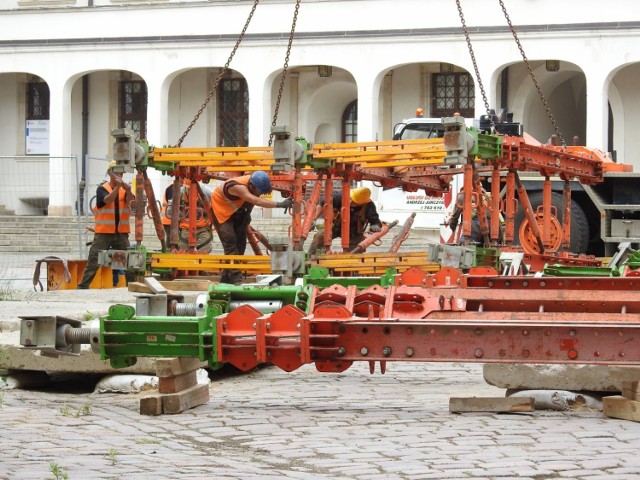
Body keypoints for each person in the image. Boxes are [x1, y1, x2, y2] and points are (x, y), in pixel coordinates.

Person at [210, 171, 293, 285]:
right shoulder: (237, 186)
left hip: (237, 213)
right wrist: (279, 204)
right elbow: (256, 200)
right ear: (251, 186)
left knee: (241, 246)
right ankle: (236, 279)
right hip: (222, 213)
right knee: (231, 245)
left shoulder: (255, 184)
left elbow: (257, 197)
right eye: (258, 192)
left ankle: (225, 279)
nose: (259, 194)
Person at [78, 160, 134, 289]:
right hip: (104, 232)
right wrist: (117, 187)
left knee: (127, 261)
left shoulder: (124, 190)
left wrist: (129, 190)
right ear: (110, 173)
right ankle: (83, 287)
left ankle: (131, 287)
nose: (120, 175)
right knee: (94, 259)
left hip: (121, 233)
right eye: (117, 172)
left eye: (121, 172)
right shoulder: (102, 189)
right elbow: (107, 200)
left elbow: (131, 202)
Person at [307, 187, 382, 255]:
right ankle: (312, 257)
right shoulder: (339, 196)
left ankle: (352, 265)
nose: (350, 201)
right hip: (335, 226)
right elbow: (322, 203)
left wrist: (375, 225)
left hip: (353, 231)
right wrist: (314, 219)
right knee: (320, 236)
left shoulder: (369, 205)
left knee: (355, 251)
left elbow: (375, 220)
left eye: (354, 202)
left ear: (361, 203)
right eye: (350, 198)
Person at [177, 179, 213, 253]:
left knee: (204, 251)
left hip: (203, 227)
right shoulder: (181, 192)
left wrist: (204, 211)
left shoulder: (206, 192)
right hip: (185, 228)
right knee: (183, 252)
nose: (190, 189)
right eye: (188, 188)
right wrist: (183, 213)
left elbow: (215, 208)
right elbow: (171, 210)